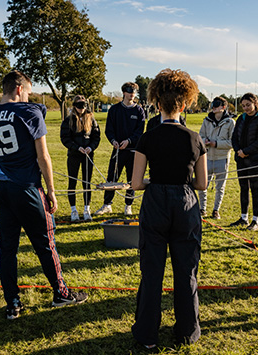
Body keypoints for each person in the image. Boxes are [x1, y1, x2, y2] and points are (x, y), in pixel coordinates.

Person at [0, 71, 87, 320]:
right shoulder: (29, 112)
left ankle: (12, 302)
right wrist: (51, 190)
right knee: (45, 243)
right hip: (26, 187)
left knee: (8, 248)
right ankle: (61, 293)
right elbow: (43, 157)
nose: (29, 96)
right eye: (28, 91)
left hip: (3, 186)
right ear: (19, 89)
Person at [130, 68, 208, 348]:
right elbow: (202, 184)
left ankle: (147, 334)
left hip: (156, 203)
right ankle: (187, 332)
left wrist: (155, 180)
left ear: (157, 104)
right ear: (184, 105)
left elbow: (136, 184)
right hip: (185, 203)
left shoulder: (147, 138)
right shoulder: (195, 139)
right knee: (186, 270)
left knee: (152, 270)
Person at [94, 82, 146, 216]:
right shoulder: (114, 110)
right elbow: (109, 129)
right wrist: (113, 141)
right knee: (112, 177)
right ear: (123, 92)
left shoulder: (139, 111)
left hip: (133, 150)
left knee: (131, 179)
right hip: (117, 150)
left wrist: (129, 141)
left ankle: (128, 205)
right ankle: (107, 205)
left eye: (134, 91)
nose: (132, 94)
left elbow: (140, 131)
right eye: (129, 91)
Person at [230, 93, 258, 231]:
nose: (246, 108)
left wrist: (246, 151)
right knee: (243, 188)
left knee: (255, 189)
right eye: (243, 106)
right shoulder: (241, 118)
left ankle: (255, 220)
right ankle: (243, 218)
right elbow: (234, 137)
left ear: (255, 103)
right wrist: (238, 151)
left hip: (255, 158)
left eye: (248, 105)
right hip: (241, 159)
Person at [60, 95, 101, 221]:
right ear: (74, 106)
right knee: (72, 182)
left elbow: (96, 136)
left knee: (87, 182)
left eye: (83, 105)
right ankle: (73, 210)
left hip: (88, 154)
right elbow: (65, 138)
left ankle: (86, 209)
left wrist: (91, 147)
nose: (81, 108)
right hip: (74, 154)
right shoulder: (68, 120)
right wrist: (76, 147)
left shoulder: (91, 119)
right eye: (78, 106)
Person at [198, 97, 235, 219]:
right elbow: (200, 136)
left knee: (220, 186)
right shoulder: (206, 121)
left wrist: (216, 144)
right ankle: (202, 209)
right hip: (207, 157)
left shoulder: (230, 123)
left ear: (223, 107)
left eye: (217, 105)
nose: (214, 107)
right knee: (203, 184)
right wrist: (205, 141)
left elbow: (232, 143)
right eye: (213, 104)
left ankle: (216, 210)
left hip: (222, 158)